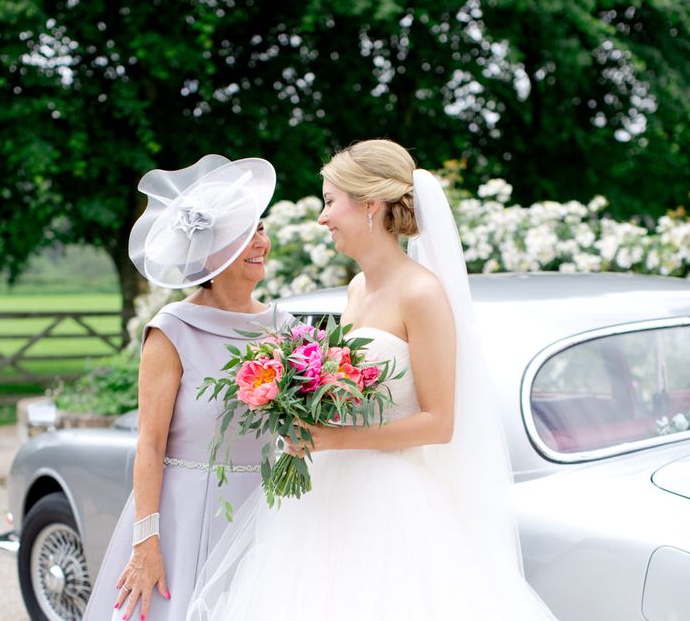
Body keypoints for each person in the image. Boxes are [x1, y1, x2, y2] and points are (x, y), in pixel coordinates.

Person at [187, 140, 558, 620]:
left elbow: (439, 423)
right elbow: (352, 386)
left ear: (370, 205)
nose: (322, 217)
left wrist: (336, 437)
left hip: (389, 501)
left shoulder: (422, 294)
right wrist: (302, 404)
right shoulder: (357, 287)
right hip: (327, 494)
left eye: (329, 201)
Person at [83, 154, 291, 621]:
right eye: (245, 233)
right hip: (183, 515)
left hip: (264, 516)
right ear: (211, 251)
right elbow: (150, 443)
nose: (261, 242)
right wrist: (147, 541)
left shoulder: (286, 326)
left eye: (259, 229)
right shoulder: (172, 330)